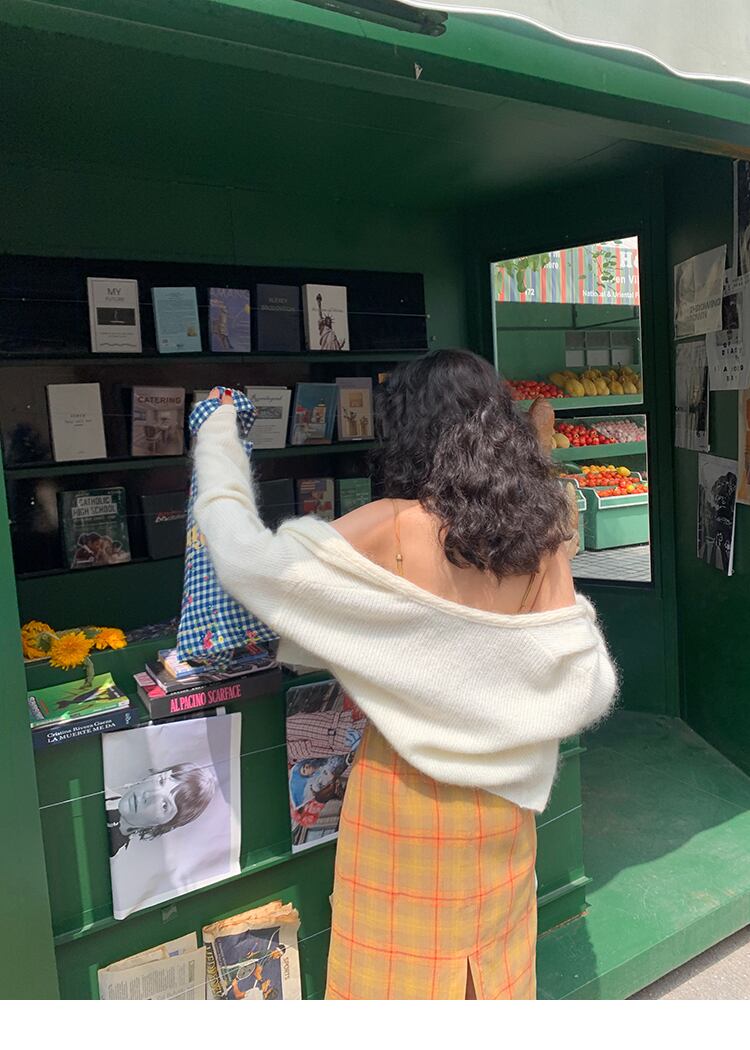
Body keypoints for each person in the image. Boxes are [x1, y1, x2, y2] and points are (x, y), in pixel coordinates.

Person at [194, 351, 617, 1000]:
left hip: (402, 798)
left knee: (391, 986)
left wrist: (218, 437)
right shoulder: (542, 533)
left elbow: (246, 564)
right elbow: (576, 675)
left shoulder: (391, 524)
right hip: (503, 809)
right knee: (489, 986)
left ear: (409, 429)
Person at [105, 762, 217, 857]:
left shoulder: (115, 856)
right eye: (160, 781)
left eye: (164, 805)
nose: (149, 795)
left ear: (165, 824)